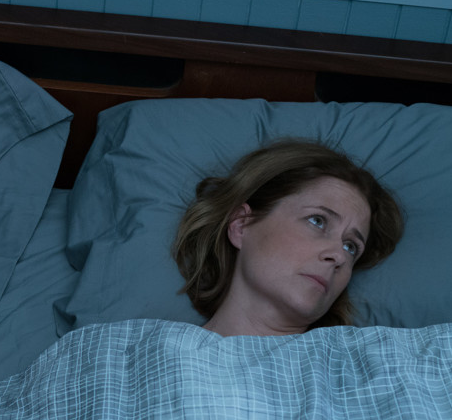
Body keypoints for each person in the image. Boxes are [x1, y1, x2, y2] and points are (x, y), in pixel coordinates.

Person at [172, 139, 404, 337]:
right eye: (318, 221)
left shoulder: (373, 359)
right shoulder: (155, 349)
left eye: (351, 247)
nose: (339, 256)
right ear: (241, 225)